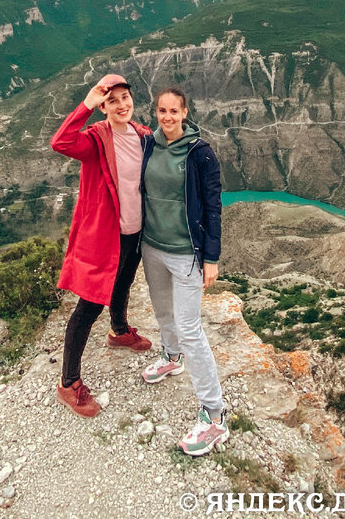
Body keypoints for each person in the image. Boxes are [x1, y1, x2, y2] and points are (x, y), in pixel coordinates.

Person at [50, 73, 152, 417]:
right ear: (103, 107)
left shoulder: (142, 135)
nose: (121, 105)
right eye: (112, 101)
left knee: (124, 283)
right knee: (89, 306)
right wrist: (86, 105)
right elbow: (61, 142)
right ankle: (68, 383)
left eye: (125, 98)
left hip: (136, 230)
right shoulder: (96, 139)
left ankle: (119, 331)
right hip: (106, 236)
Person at [139, 86, 228, 455]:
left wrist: (212, 257)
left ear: (185, 112)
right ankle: (171, 358)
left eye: (173, 111)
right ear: (156, 112)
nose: (167, 117)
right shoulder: (149, 144)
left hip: (186, 254)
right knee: (163, 312)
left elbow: (213, 206)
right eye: (162, 111)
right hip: (152, 246)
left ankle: (215, 416)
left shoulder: (199, 153)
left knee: (191, 329)